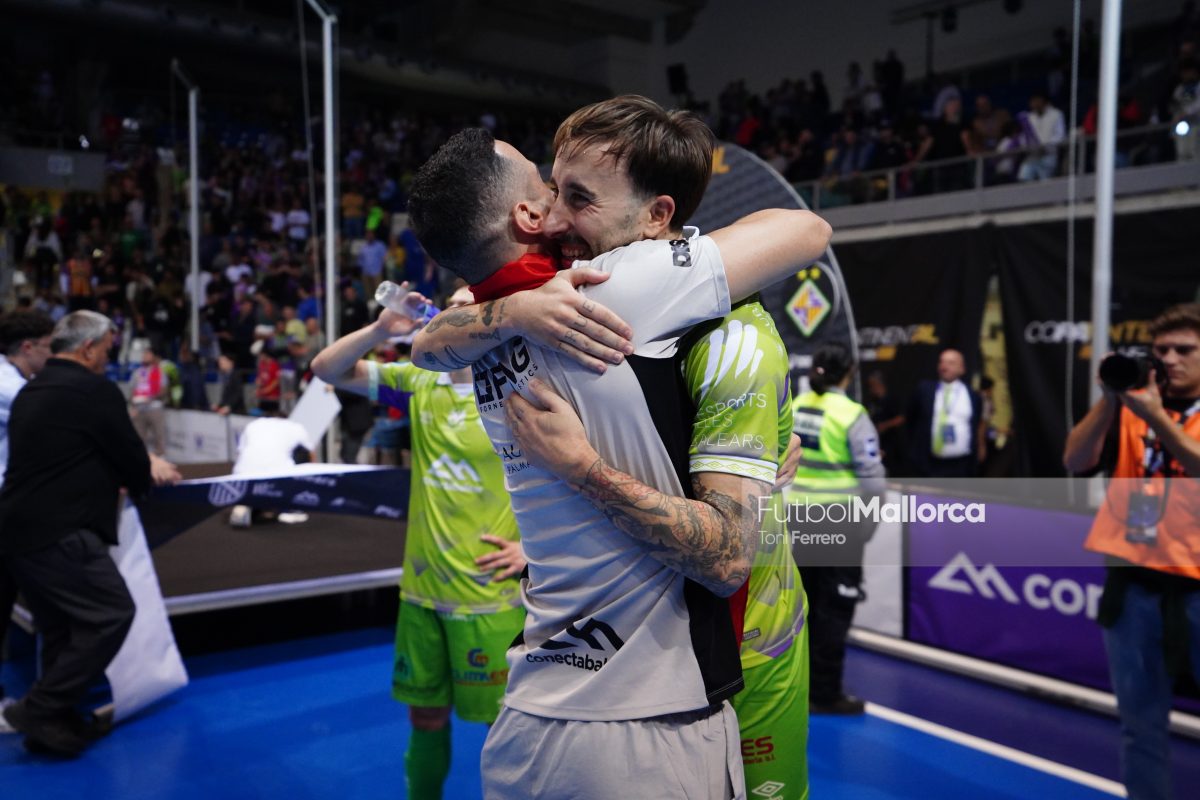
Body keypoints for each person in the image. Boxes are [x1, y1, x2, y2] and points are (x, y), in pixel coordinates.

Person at [408, 98, 830, 798]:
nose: (558, 215)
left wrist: (509, 309)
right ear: (526, 216)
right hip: (648, 716)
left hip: (531, 708)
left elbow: (426, 344)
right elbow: (806, 229)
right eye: (551, 193)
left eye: (576, 197)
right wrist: (584, 468)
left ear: (658, 216)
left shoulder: (480, 327)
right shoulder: (615, 291)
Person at [312, 285, 526, 800]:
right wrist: (380, 330)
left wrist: (531, 551)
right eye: (449, 307)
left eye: (468, 308)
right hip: (423, 592)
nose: (454, 315)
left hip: (489, 594)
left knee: (505, 727)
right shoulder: (418, 383)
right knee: (425, 718)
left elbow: (568, 475)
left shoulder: (517, 388)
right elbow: (327, 369)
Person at [0, 310, 180, 757]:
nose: (107, 358)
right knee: (111, 613)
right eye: (105, 350)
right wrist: (145, 475)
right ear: (87, 348)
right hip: (60, 529)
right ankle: (39, 709)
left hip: (17, 530)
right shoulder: (93, 390)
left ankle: (53, 727)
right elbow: (130, 457)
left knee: (59, 629)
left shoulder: (32, 390)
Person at [1063, 303, 1200, 800]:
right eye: (1161, 350)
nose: (1170, 359)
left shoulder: (1154, 413)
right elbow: (1075, 459)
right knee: (1140, 727)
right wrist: (1110, 400)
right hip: (1134, 585)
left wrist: (1157, 418)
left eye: (1184, 350)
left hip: (1196, 587)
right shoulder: (1131, 409)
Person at [786, 343, 885, 715]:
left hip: (801, 516)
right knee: (836, 606)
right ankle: (825, 693)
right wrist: (870, 522)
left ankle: (800, 684)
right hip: (841, 520)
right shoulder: (851, 414)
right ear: (850, 372)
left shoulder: (798, 405)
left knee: (805, 604)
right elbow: (872, 479)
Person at [0, 310, 55, 727]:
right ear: (28, 347)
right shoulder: (11, 388)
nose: (53, 356)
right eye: (49, 347)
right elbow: (62, 421)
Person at [906, 348, 985, 478]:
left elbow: (977, 422)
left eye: (951, 363)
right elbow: (910, 419)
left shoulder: (973, 395)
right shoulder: (924, 390)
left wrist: (981, 446)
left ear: (962, 369)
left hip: (962, 465)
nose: (944, 366)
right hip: (929, 465)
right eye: (941, 362)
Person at [129, 343, 170, 456]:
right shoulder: (137, 373)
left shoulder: (160, 372)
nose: (144, 356)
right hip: (139, 409)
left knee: (159, 437)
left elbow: (164, 390)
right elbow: (132, 391)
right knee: (138, 439)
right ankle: (140, 461)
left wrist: (151, 398)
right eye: (144, 354)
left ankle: (160, 460)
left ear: (154, 356)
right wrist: (132, 406)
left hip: (154, 408)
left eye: (148, 354)